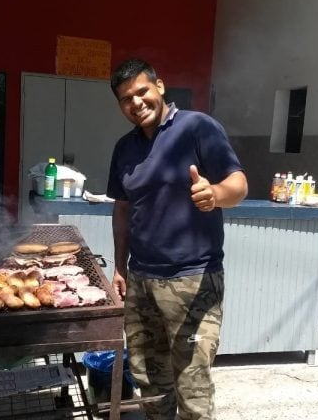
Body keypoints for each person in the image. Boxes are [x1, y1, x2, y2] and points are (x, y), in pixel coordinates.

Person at [106, 59, 248, 420]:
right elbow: (122, 210)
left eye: (142, 92)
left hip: (193, 278)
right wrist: (120, 267)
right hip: (141, 281)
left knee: (192, 384)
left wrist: (215, 193)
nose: (136, 103)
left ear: (160, 87)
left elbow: (239, 185)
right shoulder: (124, 148)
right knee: (149, 379)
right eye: (126, 99)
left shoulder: (198, 127)